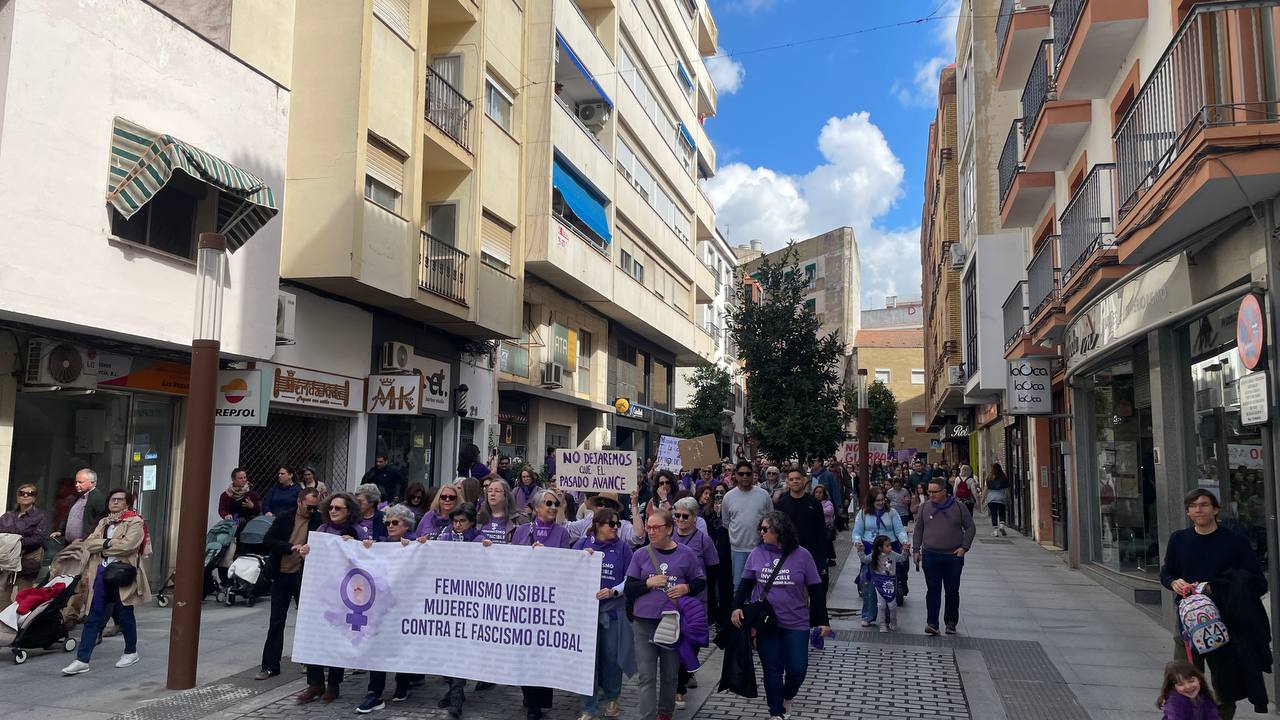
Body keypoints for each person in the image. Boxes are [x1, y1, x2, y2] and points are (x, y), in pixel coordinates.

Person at [1160, 489, 1269, 718]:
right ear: (1188, 512)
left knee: (1224, 683)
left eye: (1204, 505)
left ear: (1216, 509)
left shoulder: (1234, 541)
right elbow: (1167, 572)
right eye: (1193, 506)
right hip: (1188, 621)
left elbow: (1257, 582)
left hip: (1224, 620)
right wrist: (1174, 583)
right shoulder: (1179, 539)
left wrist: (1216, 587)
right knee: (1183, 678)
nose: (1198, 510)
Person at [730, 511, 830, 720]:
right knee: (772, 669)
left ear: (779, 530)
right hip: (767, 623)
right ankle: (775, 711)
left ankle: (788, 694)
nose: (761, 532)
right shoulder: (756, 553)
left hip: (797, 622)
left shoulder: (802, 555)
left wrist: (822, 621)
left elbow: (816, 591)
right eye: (760, 528)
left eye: (765, 529)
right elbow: (745, 584)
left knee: (798, 668)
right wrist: (736, 607)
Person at [625, 509, 705, 720]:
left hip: (672, 623)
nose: (651, 532)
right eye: (648, 527)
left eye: (656, 528)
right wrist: (647, 583)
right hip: (644, 623)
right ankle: (647, 716)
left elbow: (700, 581)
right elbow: (629, 588)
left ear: (669, 529)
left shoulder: (686, 554)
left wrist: (686, 588)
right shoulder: (640, 554)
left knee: (670, 675)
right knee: (646, 676)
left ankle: (665, 714)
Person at [61, 488, 150, 675]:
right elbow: (88, 543)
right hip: (101, 572)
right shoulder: (104, 521)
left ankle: (131, 652)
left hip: (121, 572)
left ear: (127, 503)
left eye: (120, 499)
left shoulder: (135, 521)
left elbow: (128, 546)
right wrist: (108, 543)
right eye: (112, 499)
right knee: (93, 616)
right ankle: (82, 660)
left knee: (125, 614)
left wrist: (101, 547)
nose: (115, 502)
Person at [296, 493, 368, 704]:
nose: (333, 511)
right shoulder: (322, 530)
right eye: (331, 508)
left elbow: (368, 557)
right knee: (314, 636)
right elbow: (314, 556)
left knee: (337, 637)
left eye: (338, 508)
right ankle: (315, 683)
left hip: (345, 593)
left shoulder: (358, 531)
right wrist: (306, 552)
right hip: (321, 591)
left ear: (349, 511)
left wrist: (356, 545)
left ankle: (334, 684)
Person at [355, 504, 422, 713]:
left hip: (406, 604)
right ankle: (374, 692)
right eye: (388, 523)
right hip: (381, 605)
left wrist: (415, 546)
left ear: (406, 525)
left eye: (395, 522)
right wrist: (364, 547)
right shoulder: (381, 544)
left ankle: (402, 683)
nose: (390, 526)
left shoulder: (414, 545)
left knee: (402, 643)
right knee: (378, 644)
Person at [512, 488, 570, 719]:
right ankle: (529, 694)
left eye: (556, 504)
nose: (554, 508)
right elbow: (511, 561)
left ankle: (539, 701)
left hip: (549, 601)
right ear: (536, 508)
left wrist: (549, 557)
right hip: (525, 599)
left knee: (543, 651)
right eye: (548, 503)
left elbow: (567, 564)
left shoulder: (562, 533)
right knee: (525, 649)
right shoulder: (522, 531)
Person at [574, 508, 635, 720]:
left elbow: (630, 577)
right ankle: (588, 707)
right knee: (587, 660)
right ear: (598, 525)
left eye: (618, 524)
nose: (616, 528)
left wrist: (613, 591)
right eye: (611, 524)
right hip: (586, 612)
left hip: (612, 611)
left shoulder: (623, 548)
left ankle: (612, 699)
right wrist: (580, 558)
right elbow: (568, 570)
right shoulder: (583, 544)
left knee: (611, 657)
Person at [256, 489, 322, 681]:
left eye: (315, 507)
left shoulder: (318, 520)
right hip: (282, 573)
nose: (312, 511)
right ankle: (270, 665)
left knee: (308, 621)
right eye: (309, 507)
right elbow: (268, 540)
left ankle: (308, 661)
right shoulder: (284, 518)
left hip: (305, 576)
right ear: (300, 502)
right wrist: (289, 547)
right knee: (276, 621)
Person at [671, 497, 718, 709]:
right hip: (671, 600)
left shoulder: (703, 540)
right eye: (677, 515)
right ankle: (678, 687)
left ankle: (686, 673)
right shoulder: (669, 535)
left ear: (694, 517)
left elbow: (713, 570)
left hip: (696, 600)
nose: (680, 519)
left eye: (685, 516)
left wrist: (712, 600)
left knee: (692, 642)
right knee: (674, 643)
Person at [912, 481, 975, 636]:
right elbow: (918, 529)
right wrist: (916, 550)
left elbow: (970, 527)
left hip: (953, 556)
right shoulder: (924, 507)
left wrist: (964, 547)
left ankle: (951, 622)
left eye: (934, 492)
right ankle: (932, 623)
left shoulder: (958, 507)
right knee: (933, 589)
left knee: (952, 590)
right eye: (929, 492)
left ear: (944, 492)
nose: (931, 495)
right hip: (930, 555)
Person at [853, 490, 909, 626]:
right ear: (871, 501)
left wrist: (904, 541)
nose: (880, 503)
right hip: (870, 548)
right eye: (877, 500)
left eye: (882, 500)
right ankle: (868, 615)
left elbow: (899, 530)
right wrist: (858, 541)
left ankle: (888, 617)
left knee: (888, 582)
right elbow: (857, 531)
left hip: (889, 549)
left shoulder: (892, 513)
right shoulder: (863, 514)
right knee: (868, 584)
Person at [773, 468, 829, 593]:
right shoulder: (782, 504)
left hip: (813, 554)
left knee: (818, 593)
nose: (795, 481)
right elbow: (778, 530)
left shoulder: (814, 503)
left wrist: (822, 554)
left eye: (797, 478)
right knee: (792, 593)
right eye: (791, 479)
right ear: (788, 483)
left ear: (804, 480)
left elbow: (821, 530)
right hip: (789, 554)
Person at [722, 460, 775, 586]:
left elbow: (771, 519)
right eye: (741, 474)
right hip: (737, 550)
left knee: (761, 584)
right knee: (738, 585)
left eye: (748, 473)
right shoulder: (728, 497)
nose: (745, 476)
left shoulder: (763, 495)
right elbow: (726, 522)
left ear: (753, 474)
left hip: (761, 548)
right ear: (735, 475)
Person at [1, 482, 49, 602]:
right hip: (7, 563)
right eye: (22, 493)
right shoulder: (8, 516)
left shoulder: (40, 515)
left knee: (23, 598)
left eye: (30, 493)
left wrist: (16, 543)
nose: (25, 495)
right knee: (2, 596)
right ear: (17, 497)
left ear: (34, 498)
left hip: (27, 561)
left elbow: (39, 538)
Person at [860, 535, 906, 633]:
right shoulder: (874, 555)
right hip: (879, 582)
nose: (890, 547)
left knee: (892, 605)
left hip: (891, 582)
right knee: (881, 605)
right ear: (880, 548)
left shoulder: (893, 554)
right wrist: (860, 550)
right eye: (887, 545)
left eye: (890, 545)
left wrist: (905, 550)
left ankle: (893, 621)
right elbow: (864, 559)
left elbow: (902, 558)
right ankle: (882, 624)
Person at [50, 468, 106, 542]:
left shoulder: (98, 498)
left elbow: (102, 522)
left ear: (92, 483)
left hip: (84, 544)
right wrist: (60, 531)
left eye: (80, 482)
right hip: (70, 543)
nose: (76, 485)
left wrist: (88, 538)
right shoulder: (77, 497)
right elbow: (68, 517)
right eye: (76, 482)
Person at [477, 479, 517, 544]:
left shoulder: (517, 519)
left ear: (505, 495)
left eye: (497, 491)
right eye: (490, 491)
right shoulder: (479, 517)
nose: (492, 494)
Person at [980, 463, 1010, 537]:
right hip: (1001, 498)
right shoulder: (1004, 477)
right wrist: (1009, 498)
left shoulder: (989, 477)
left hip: (991, 499)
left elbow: (985, 490)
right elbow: (1007, 490)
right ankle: (1002, 526)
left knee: (994, 514)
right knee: (1002, 513)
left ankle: (995, 531)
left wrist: (982, 499)